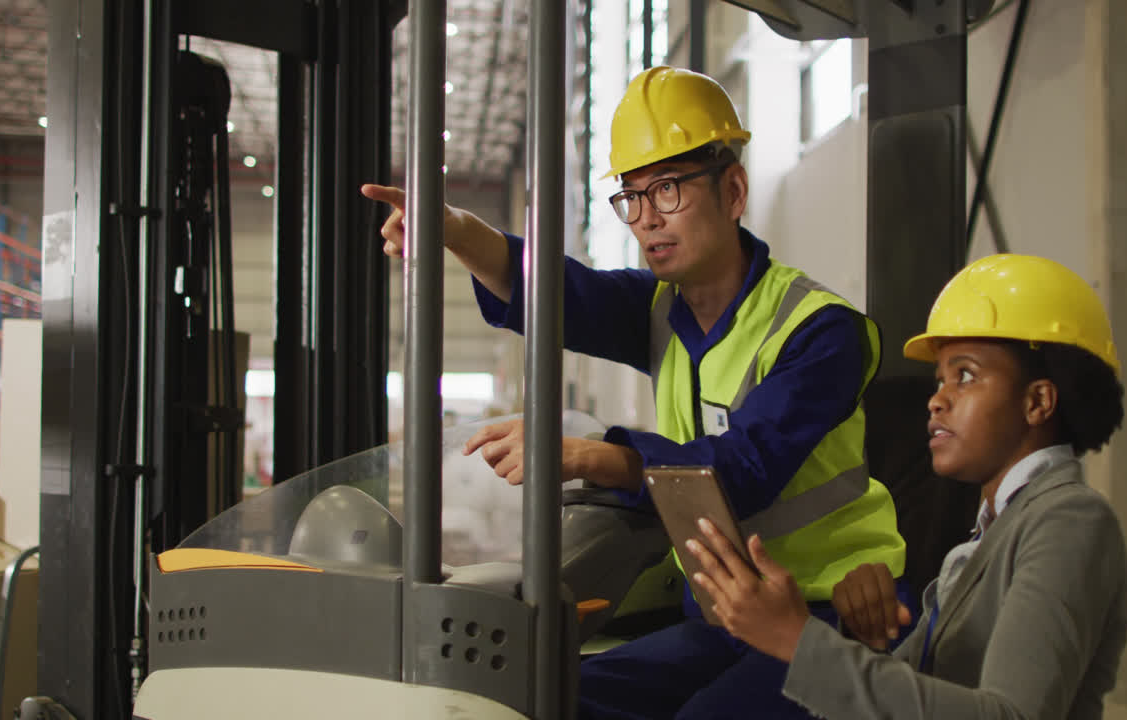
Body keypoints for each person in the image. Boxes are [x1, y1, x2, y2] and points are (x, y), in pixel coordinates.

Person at [364, 65, 905, 719]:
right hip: (721, 615)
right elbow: (554, 291)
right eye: (633, 198)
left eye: (669, 190)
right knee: (552, 696)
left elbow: (747, 471)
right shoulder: (659, 310)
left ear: (733, 191)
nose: (648, 219)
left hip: (830, 611)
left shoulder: (820, 331)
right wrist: (453, 229)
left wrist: (594, 455)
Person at [686, 253, 1127, 719]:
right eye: (940, 379)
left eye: (965, 375)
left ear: (1038, 401)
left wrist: (799, 640)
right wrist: (862, 635)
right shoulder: (989, 534)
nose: (937, 399)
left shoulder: (1069, 521)